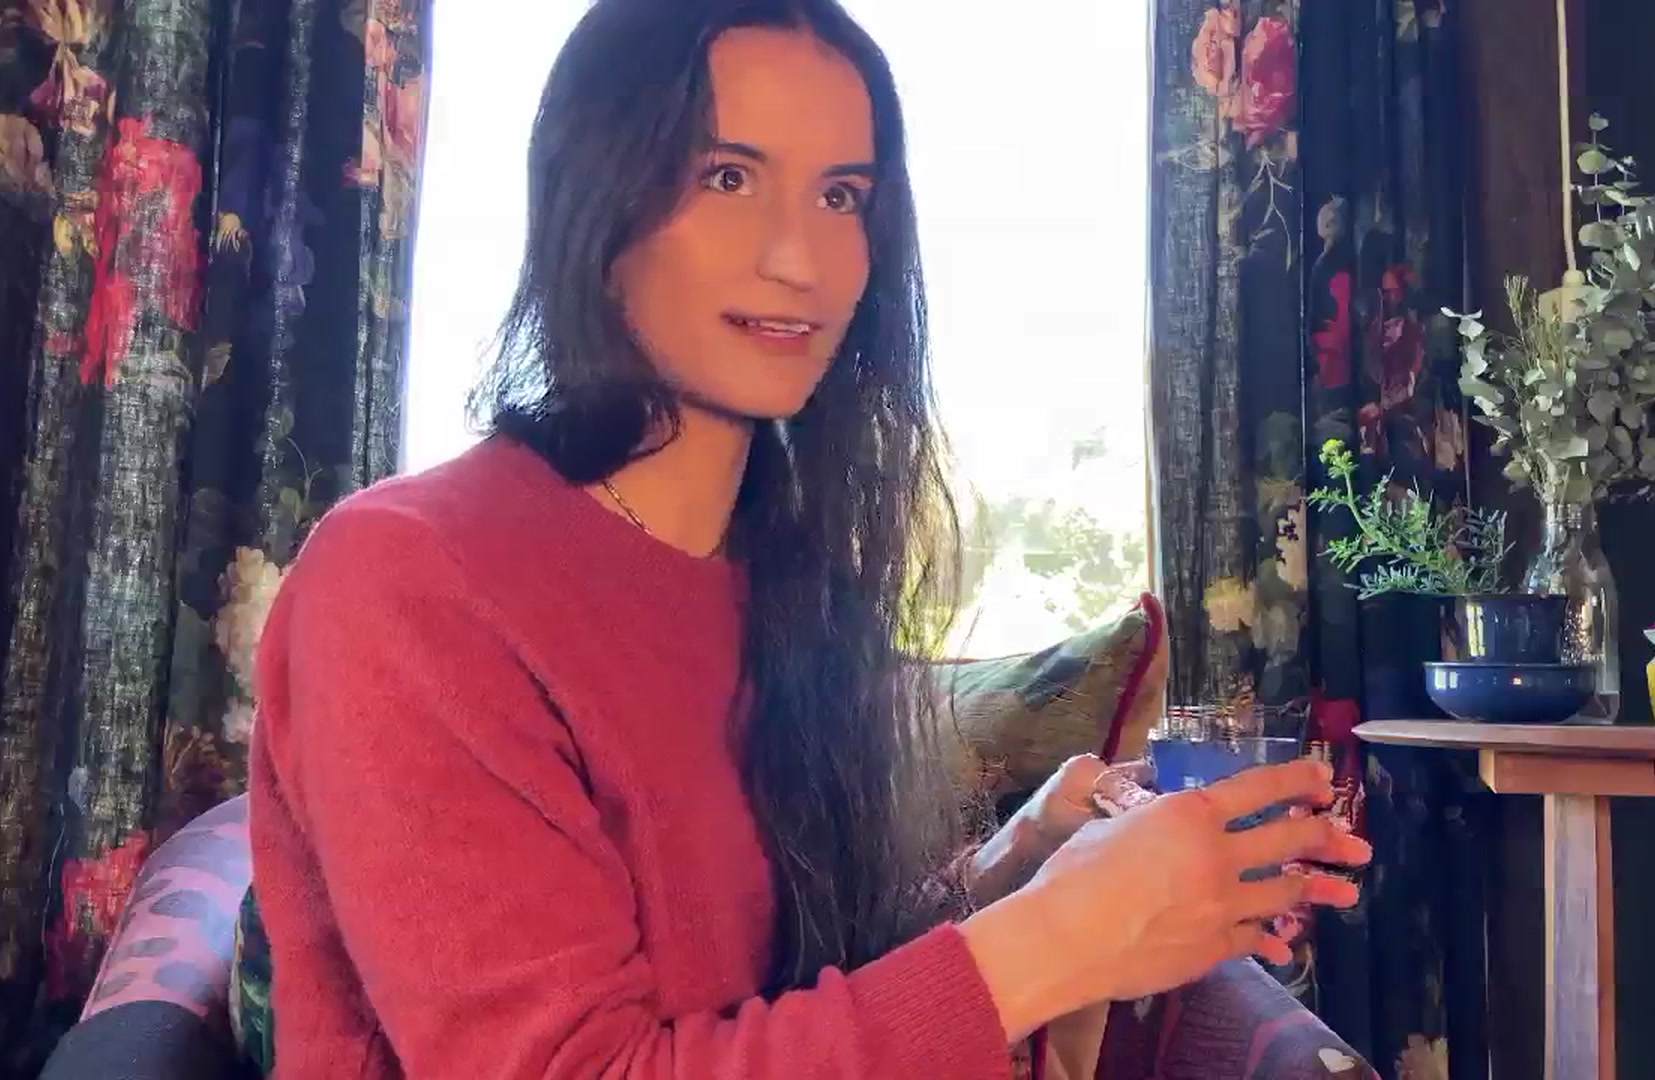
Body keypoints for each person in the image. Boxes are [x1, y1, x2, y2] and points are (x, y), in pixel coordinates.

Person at [246, 0, 1372, 1076]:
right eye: (728, 177)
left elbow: (789, 993)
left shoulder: (786, 574)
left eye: (842, 196)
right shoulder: (408, 579)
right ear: (594, 202)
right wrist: (1060, 936)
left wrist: (1023, 863)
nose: (799, 259)